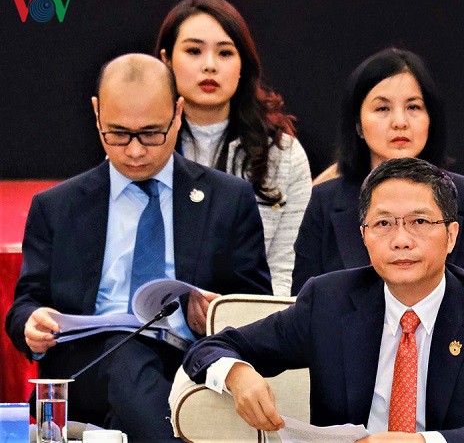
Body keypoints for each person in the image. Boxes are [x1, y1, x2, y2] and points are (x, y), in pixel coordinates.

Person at [5, 54, 272, 440]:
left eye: (150, 134)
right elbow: (25, 304)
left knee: (129, 386)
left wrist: (213, 315)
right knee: (124, 352)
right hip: (87, 367)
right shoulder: (58, 207)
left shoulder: (227, 200)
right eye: (117, 134)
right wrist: (32, 323)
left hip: (189, 365)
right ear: (97, 114)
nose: (134, 151)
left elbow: (255, 309)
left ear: (177, 114)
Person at [184, 157, 464, 442]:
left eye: (420, 222)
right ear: (364, 236)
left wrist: (423, 442)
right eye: (383, 224)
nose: (401, 240)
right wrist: (236, 373)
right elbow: (209, 349)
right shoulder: (328, 302)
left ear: (451, 235)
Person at [292, 48, 464, 295]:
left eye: (413, 107)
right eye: (383, 109)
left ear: (430, 118)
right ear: (358, 125)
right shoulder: (325, 201)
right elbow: (304, 303)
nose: (400, 122)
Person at [156, 0, 312, 296]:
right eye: (193, 51)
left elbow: (286, 270)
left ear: (243, 65)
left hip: (251, 319)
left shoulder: (283, 154)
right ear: (166, 60)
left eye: (225, 53)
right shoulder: (142, 145)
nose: (210, 66)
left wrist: (245, 320)